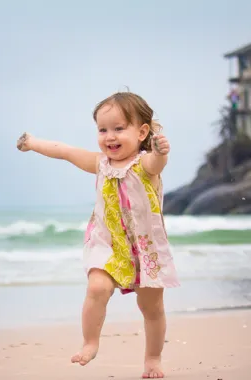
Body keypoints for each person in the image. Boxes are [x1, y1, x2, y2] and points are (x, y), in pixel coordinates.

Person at [16, 91, 180, 378]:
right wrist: (32, 143)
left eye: (119, 128)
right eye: (103, 129)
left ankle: (153, 358)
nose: (109, 137)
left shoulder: (144, 165)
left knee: (151, 307)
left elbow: (157, 164)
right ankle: (90, 342)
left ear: (142, 132)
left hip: (145, 249)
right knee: (96, 288)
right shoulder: (100, 163)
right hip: (108, 243)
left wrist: (160, 152)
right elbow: (64, 151)